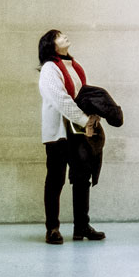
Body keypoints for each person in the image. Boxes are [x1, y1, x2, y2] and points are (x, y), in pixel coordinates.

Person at [38, 29, 105, 244]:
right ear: (51, 45)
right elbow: (62, 100)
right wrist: (86, 120)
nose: (64, 36)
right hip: (60, 134)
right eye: (59, 36)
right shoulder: (50, 68)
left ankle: (81, 227)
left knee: (81, 178)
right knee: (56, 180)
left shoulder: (74, 67)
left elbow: (82, 97)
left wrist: (93, 115)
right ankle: (53, 229)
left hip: (77, 132)